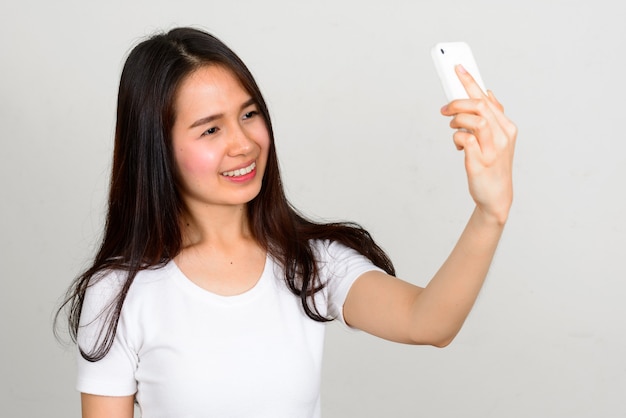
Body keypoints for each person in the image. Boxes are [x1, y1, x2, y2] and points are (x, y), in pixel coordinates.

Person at [57, 27, 516, 418]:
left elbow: (427, 323)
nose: (244, 144)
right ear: (156, 147)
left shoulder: (310, 263)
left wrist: (490, 214)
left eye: (249, 114)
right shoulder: (119, 292)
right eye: (211, 129)